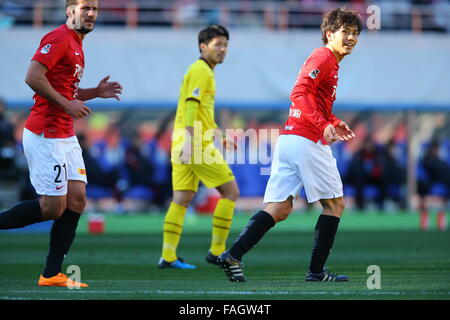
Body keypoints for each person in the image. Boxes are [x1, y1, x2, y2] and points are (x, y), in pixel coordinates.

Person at [217, 8, 362, 282]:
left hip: (290, 140)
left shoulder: (330, 61)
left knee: (280, 208)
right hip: (307, 141)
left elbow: (312, 101)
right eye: (346, 32)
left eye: (355, 33)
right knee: (335, 205)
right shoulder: (324, 56)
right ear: (329, 34)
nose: (351, 38)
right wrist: (322, 125)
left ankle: (233, 255)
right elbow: (299, 92)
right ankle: (316, 272)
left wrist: (332, 120)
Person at [0, 0, 122, 287]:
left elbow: (65, 87)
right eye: (84, 8)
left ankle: (51, 274)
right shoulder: (58, 38)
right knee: (52, 208)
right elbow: (33, 76)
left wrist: (95, 92)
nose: (90, 13)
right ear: (70, 12)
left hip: (65, 134)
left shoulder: (77, 44)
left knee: (77, 200)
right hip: (45, 134)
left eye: (94, 8)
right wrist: (67, 104)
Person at [158, 25, 240, 269]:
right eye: (217, 45)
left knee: (181, 199)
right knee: (231, 192)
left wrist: (220, 135)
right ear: (203, 47)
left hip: (182, 140)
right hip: (195, 144)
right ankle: (216, 251)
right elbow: (192, 107)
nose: (222, 50)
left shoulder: (202, 71)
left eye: (225, 45)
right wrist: (192, 143)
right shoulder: (201, 71)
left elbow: (201, 112)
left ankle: (168, 256)